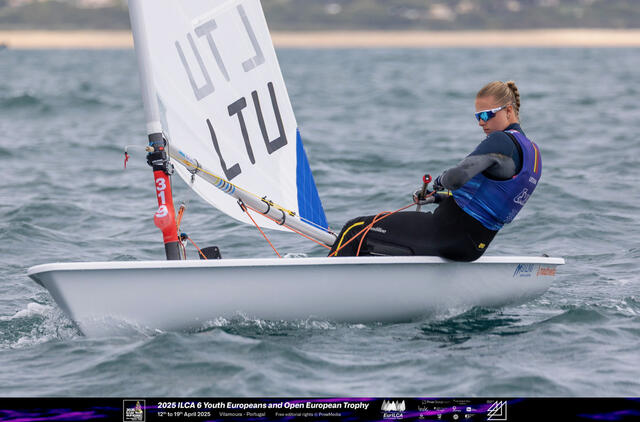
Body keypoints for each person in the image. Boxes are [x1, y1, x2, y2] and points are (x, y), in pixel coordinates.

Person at [329, 80, 541, 261]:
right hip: (472, 247)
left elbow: (456, 178)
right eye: (477, 116)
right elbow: (484, 201)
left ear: (508, 110)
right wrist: (436, 197)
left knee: (355, 229)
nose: (481, 123)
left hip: (444, 233)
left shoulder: (501, 140)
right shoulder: (533, 154)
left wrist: (439, 181)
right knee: (376, 241)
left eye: (487, 115)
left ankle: (325, 285)